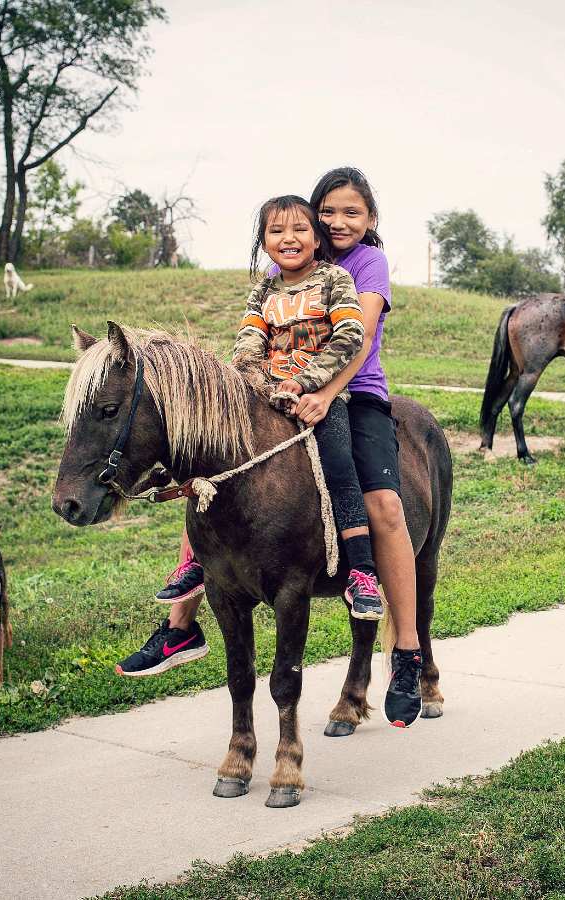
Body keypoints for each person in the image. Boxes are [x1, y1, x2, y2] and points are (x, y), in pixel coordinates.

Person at [120, 169, 426, 728]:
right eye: (327, 212)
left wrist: (324, 392)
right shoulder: (280, 269)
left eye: (351, 213)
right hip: (280, 392)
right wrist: (254, 382)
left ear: (371, 220)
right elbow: (255, 331)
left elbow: (360, 338)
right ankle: (180, 623)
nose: (337, 222)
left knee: (383, 502)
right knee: (217, 473)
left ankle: (406, 651)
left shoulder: (365, 266)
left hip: (351, 394)